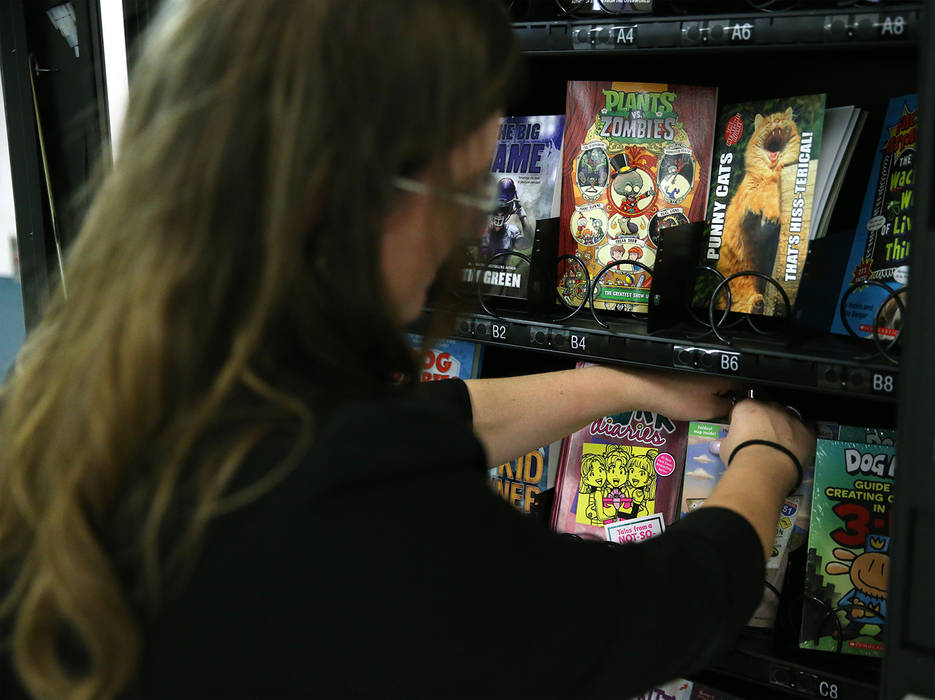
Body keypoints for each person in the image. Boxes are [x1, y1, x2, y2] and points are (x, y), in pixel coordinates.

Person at [0, 1, 815, 699]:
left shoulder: (72, 389)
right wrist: (761, 462)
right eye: (460, 191)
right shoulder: (355, 513)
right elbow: (640, 618)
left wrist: (605, 384)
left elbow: (398, 430)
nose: (473, 227)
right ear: (338, 193)